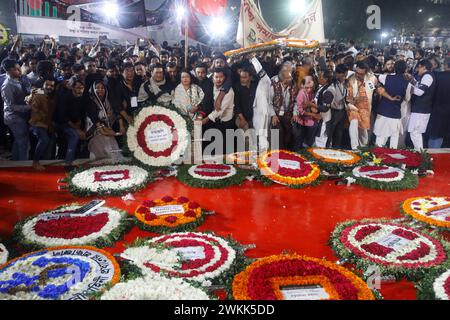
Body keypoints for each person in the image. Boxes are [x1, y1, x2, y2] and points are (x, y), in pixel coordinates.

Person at [373, 60, 411, 149]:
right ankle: (392, 158)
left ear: (394, 68)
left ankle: (377, 157)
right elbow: (407, 98)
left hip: (383, 110)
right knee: (394, 136)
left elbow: (375, 78)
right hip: (395, 112)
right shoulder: (407, 83)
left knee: (380, 135)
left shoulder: (385, 77)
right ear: (405, 69)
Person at [1, 59, 32, 161]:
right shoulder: (7, 86)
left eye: (19, 68)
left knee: (19, 141)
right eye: (16, 69)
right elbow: (11, 106)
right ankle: (23, 166)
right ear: (9, 71)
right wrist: (29, 107)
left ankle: (15, 161)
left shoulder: (19, 78)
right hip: (14, 117)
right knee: (24, 142)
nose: (19, 71)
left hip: (21, 115)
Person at [86, 80, 125, 160]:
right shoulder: (90, 102)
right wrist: (106, 130)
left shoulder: (108, 101)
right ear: (93, 89)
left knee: (114, 149)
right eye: (97, 88)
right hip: (95, 131)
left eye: (102, 88)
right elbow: (94, 119)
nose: (100, 90)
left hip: (108, 129)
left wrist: (121, 125)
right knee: (105, 145)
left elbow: (116, 113)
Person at [53, 77, 87, 166]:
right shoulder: (65, 97)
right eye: (78, 88)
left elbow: (81, 114)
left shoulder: (82, 98)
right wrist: (76, 129)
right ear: (73, 88)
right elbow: (63, 116)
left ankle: (77, 157)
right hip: (61, 123)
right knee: (75, 135)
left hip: (74, 123)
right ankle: (68, 162)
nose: (80, 90)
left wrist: (79, 125)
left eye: (82, 88)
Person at [202, 68, 235, 154]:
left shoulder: (229, 92)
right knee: (214, 146)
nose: (218, 79)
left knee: (225, 149)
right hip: (216, 122)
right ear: (212, 78)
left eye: (221, 77)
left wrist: (205, 120)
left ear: (225, 78)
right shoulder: (211, 87)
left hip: (226, 122)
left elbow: (219, 110)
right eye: (216, 77)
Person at [346, 61, 378, 150]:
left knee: (363, 130)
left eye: (360, 74)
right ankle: (354, 147)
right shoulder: (350, 79)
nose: (357, 75)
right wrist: (355, 100)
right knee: (354, 122)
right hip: (353, 107)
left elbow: (376, 89)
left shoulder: (372, 79)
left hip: (366, 108)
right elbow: (347, 98)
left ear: (366, 73)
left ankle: (363, 147)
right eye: (356, 72)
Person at [406, 59, 436, 151]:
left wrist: (407, 88)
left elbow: (420, 92)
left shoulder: (427, 76)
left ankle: (419, 155)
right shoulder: (427, 76)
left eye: (418, 67)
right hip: (422, 109)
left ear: (423, 67)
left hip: (421, 110)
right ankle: (419, 154)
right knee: (415, 133)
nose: (417, 70)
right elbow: (420, 86)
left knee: (415, 133)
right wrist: (412, 80)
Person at [28, 77, 57, 170]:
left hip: (48, 124)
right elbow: (29, 101)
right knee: (44, 139)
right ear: (43, 85)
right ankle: (35, 162)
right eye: (47, 85)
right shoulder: (38, 94)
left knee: (51, 140)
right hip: (37, 123)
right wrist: (30, 98)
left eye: (52, 85)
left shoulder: (53, 95)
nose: (49, 87)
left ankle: (45, 160)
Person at [269, 62, 299, 150]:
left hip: (288, 115)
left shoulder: (293, 84)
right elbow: (269, 102)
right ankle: (276, 155)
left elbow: (296, 101)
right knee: (278, 133)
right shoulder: (273, 83)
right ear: (283, 79)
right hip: (276, 115)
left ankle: (288, 155)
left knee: (291, 134)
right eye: (289, 77)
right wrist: (273, 115)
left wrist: (295, 113)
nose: (291, 78)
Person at [427, 57, 450, 149]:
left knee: (435, 135)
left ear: (445, 65)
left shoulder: (437, 76)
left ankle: (431, 158)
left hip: (437, 109)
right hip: (447, 111)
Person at [292, 77, 320, 150]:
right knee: (298, 142)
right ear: (302, 85)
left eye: (311, 87)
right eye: (307, 87)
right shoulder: (301, 93)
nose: (309, 89)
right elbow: (300, 111)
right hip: (297, 120)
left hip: (304, 120)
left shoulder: (308, 92)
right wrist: (313, 114)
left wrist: (310, 104)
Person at [326, 64, 348, 148]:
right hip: (333, 112)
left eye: (346, 75)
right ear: (337, 74)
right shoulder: (331, 83)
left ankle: (336, 150)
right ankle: (326, 150)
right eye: (343, 75)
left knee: (339, 133)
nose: (345, 77)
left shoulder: (345, 83)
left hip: (342, 111)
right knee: (330, 133)